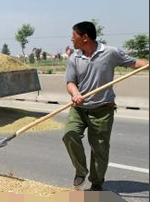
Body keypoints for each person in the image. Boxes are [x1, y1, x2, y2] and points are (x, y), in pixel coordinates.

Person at [63, 21, 149, 191]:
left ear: (85, 37)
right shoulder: (74, 57)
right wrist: (75, 94)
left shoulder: (110, 53)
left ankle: (96, 182)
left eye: (74, 36)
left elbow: (133, 62)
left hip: (103, 109)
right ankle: (81, 171)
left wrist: (148, 63)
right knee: (69, 135)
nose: (71, 39)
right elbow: (70, 82)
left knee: (100, 148)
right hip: (79, 108)